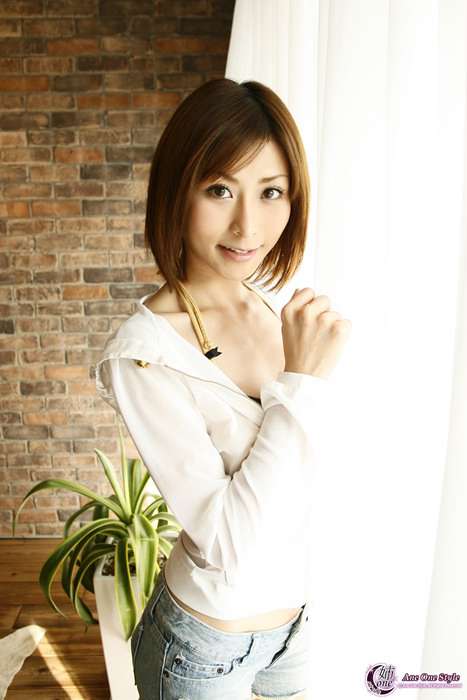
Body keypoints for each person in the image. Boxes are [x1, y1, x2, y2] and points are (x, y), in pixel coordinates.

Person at [95, 78, 351, 700]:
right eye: (219, 190)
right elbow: (231, 545)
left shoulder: (273, 307)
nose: (247, 225)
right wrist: (302, 383)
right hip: (203, 646)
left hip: (298, 624)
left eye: (271, 192)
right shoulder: (145, 354)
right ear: (176, 192)